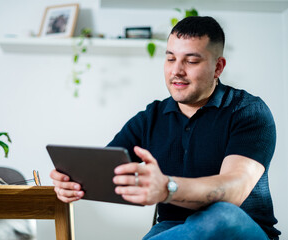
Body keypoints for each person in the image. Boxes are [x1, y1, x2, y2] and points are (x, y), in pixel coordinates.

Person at [50, 16, 280, 239]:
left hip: (237, 228)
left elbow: (233, 191)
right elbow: (105, 172)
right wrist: (73, 182)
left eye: (191, 61)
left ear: (218, 67)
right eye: (170, 58)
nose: (176, 71)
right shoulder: (151, 118)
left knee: (222, 215)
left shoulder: (248, 111)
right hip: (172, 227)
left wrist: (167, 188)